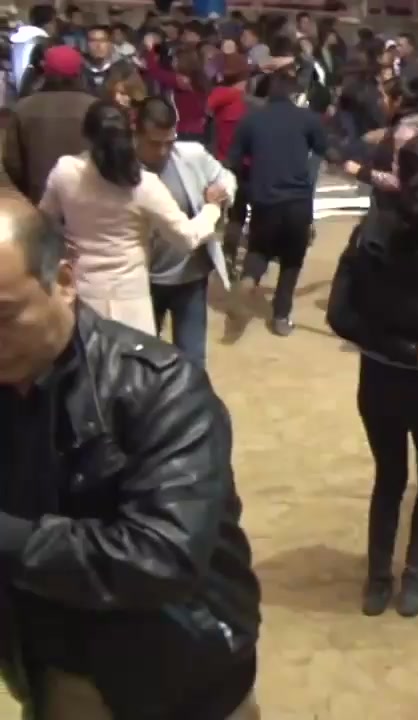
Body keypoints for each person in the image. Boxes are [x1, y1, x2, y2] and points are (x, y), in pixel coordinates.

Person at [0, 191, 260, 718]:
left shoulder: (162, 388)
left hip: (179, 673)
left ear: (64, 281)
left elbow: (163, 555)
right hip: (53, 669)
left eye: (2, 315)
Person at [326, 130, 418, 618]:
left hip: (380, 377)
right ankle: (414, 581)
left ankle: (377, 583)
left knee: (389, 476)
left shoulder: (369, 231)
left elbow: (340, 315)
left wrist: (406, 352)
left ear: (399, 175)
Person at [38, 100, 225, 335]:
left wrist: (63, 248)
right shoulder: (143, 184)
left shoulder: (65, 171)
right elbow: (186, 238)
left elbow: (42, 221)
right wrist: (212, 209)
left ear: (87, 136)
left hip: (82, 295)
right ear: (131, 135)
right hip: (131, 301)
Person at [225, 60, 328, 338]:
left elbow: (233, 160)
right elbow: (322, 148)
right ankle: (281, 316)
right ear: (295, 94)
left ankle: (249, 279)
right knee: (292, 259)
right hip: (298, 200)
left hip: (264, 199)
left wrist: (250, 180)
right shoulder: (308, 119)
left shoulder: (251, 120)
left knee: (259, 249)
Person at [135, 96, 236, 367]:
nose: (162, 151)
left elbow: (226, 177)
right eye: (154, 143)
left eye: (169, 142)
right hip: (144, 281)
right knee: (142, 360)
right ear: (137, 134)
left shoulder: (191, 155)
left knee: (193, 360)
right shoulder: (125, 170)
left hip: (190, 276)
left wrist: (221, 192)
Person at [3, 45, 97, 204]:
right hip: (88, 200)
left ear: (46, 72)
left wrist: (29, 188)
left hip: (40, 197)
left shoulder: (23, 108)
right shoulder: (95, 107)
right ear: (79, 72)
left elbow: (12, 163)